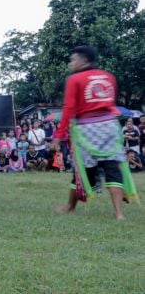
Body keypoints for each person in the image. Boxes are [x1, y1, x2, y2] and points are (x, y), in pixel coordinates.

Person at [52, 45, 137, 220]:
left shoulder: (75, 79)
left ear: (84, 60)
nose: (71, 63)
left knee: (83, 170)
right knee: (113, 168)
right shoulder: (109, 77)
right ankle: (119, 213)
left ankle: (69, 206)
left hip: (87, 129)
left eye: (73, 59)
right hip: (110, 126)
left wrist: (58, 136)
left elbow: (69, 108)